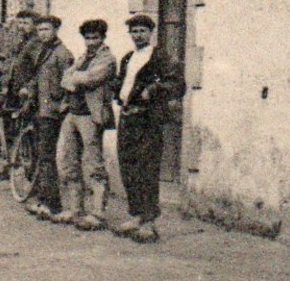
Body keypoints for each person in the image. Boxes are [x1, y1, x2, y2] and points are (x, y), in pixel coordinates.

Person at [111, 14, 186, 243]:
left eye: (142, 31)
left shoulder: (160, 57)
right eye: (134, 31)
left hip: (148, 120)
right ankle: (135, 215)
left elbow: (177, 84)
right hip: (127, 117)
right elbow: (122, 82)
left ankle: (149, 222)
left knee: (147, 168)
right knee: (128, 166)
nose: (138, 35)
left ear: (151, 33)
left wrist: (153, 90)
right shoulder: (128, 58)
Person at [52, 18, 116, 230]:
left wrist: (75, 78)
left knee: (93, 164)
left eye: (95, 38)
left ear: (103, 38)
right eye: (87, 38)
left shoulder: (107, 59)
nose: (91, 42)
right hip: (72, 112)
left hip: (91, 116)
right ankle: (74, 209)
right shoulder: (82, 57)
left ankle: (97, 213)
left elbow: (90, 79)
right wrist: (75, 78)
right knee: (68, 160)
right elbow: (65, 78)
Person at [24, 15, 74, 219]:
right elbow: (38, 78)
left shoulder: (63, 54)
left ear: (56, 30)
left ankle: (53, 205)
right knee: (41, 156)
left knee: (47, 157)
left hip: (52, 113)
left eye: (46, 30)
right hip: (40, 109)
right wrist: (29, 89)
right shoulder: (44, 51)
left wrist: (62, 104)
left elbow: (69, 83)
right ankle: (43, 199)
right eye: (40, 30)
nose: (42, 33)